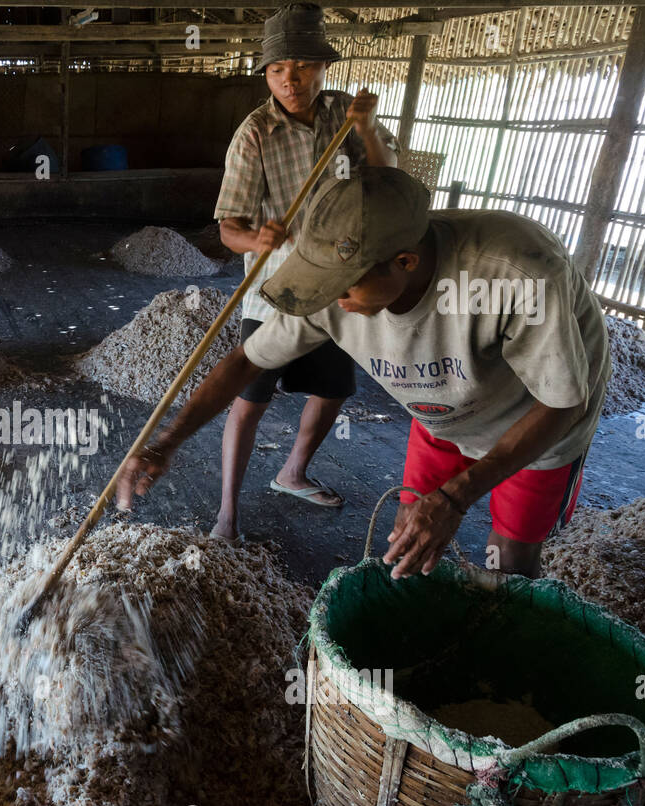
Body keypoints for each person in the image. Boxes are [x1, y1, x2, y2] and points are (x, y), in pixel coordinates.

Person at [117, 166, 611, 580]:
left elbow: (564, 401)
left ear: (404, 262)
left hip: (535, 419)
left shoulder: (514, 273)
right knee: (411, 528)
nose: (331, 304)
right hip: (444, 407)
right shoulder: (331, 286)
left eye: (345, 291)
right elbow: (248, 360)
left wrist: (456, 497)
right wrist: (167, 440)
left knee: (508, 556)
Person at [212, 1, 398, 541]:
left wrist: (366, 129)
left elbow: (388, 182)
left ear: (322, 67)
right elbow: (229, 229)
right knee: (249, 398)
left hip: (340, 285)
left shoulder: (346, 117)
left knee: (336, 387)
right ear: (266, 76)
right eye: (276, 70)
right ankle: (227, 512)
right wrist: (258, 237)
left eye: (300, 66)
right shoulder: (256, 133)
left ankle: (292, 472)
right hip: (276, 289)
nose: (289, 80)